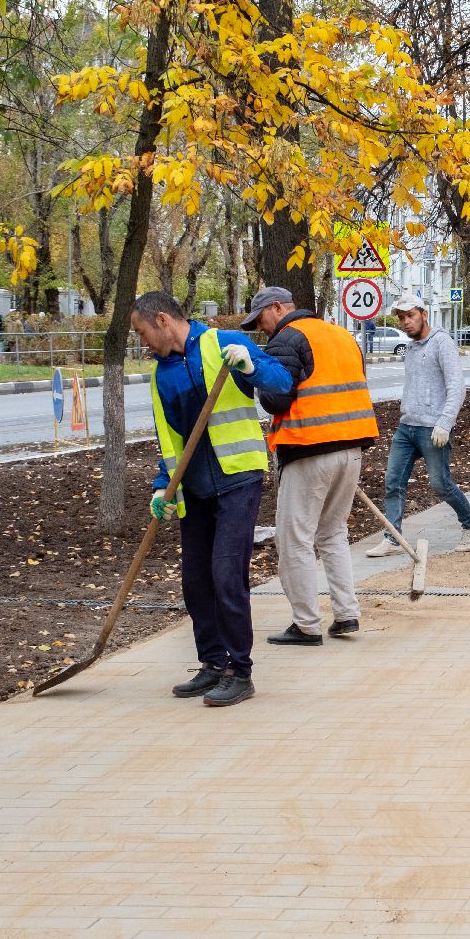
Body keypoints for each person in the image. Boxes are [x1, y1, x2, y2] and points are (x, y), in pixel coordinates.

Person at [133, 291, 290, 707]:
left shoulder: (222, 346)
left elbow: (282, 383)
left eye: (142, 331)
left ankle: (241, 671)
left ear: (162, 320)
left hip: (238, 477)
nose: (142, 342)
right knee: (196, 581)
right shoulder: (159, 375)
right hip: (194, 488)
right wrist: (160, 487)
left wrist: (252, 365)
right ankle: (212, 663)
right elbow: (169, 439)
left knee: (225, 574)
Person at [244, 286, 378, 648]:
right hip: (351, 446)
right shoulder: (341, 334)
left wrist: (254, 374)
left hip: (308, 448)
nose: (262, 329)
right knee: (333, 533)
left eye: (261, 320)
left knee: (295, 538)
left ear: (277, 308)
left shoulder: (286, 339)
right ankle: (347, 613)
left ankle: (306, 625)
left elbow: (276, 398)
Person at [368, 293, 470, 556]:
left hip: (433, 429)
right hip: (407, 427)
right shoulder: (410, 348)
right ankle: (392, 537)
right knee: (393, 481)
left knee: (440, 484)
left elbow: (457, 387)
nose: (406, 322)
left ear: (423, 314)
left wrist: (445, 422)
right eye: (402, 318)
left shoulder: (442, 343)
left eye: (411, 316)